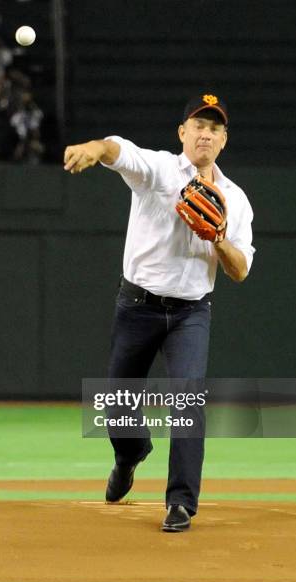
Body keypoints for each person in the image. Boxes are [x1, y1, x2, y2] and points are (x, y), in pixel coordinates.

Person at [64, 93, 255, 532]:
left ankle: (181, 502)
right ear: (182, 133)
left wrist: (219, 237)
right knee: (117, 406)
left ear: (224, 140)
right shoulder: (160, 170)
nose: (205, 133)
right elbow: (118, 150)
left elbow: (240, 270)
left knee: (187, 401)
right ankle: (130, 455)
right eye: (198, 125)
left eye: (214, 128)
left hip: (191, 314)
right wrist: (94, 149)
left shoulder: (235, 200)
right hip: (137, 306)